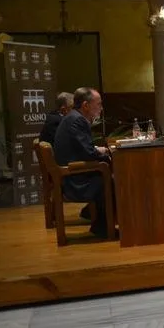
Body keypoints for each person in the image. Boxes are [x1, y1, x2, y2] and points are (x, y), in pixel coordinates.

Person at [53, 87, 111, 237]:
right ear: (85, 105)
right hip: (75, 180)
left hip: (73, 175)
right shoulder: (78, 120)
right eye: (98, 104)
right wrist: (108, 156)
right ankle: (103, 227)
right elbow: (89, 153)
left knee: (109, 172)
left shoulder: (73, 117)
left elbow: (85, 149)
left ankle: (99, 222)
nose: (101, 108)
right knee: (113, 180)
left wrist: (101, 153)